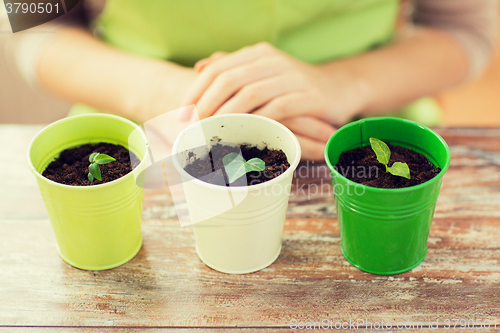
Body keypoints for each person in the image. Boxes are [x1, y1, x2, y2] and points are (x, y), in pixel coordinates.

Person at [4, 0, 498, 160]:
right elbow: (36, 22)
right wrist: (167, 94)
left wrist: (343, 85)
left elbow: (465, 29)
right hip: (142, 134)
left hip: (361, 130)